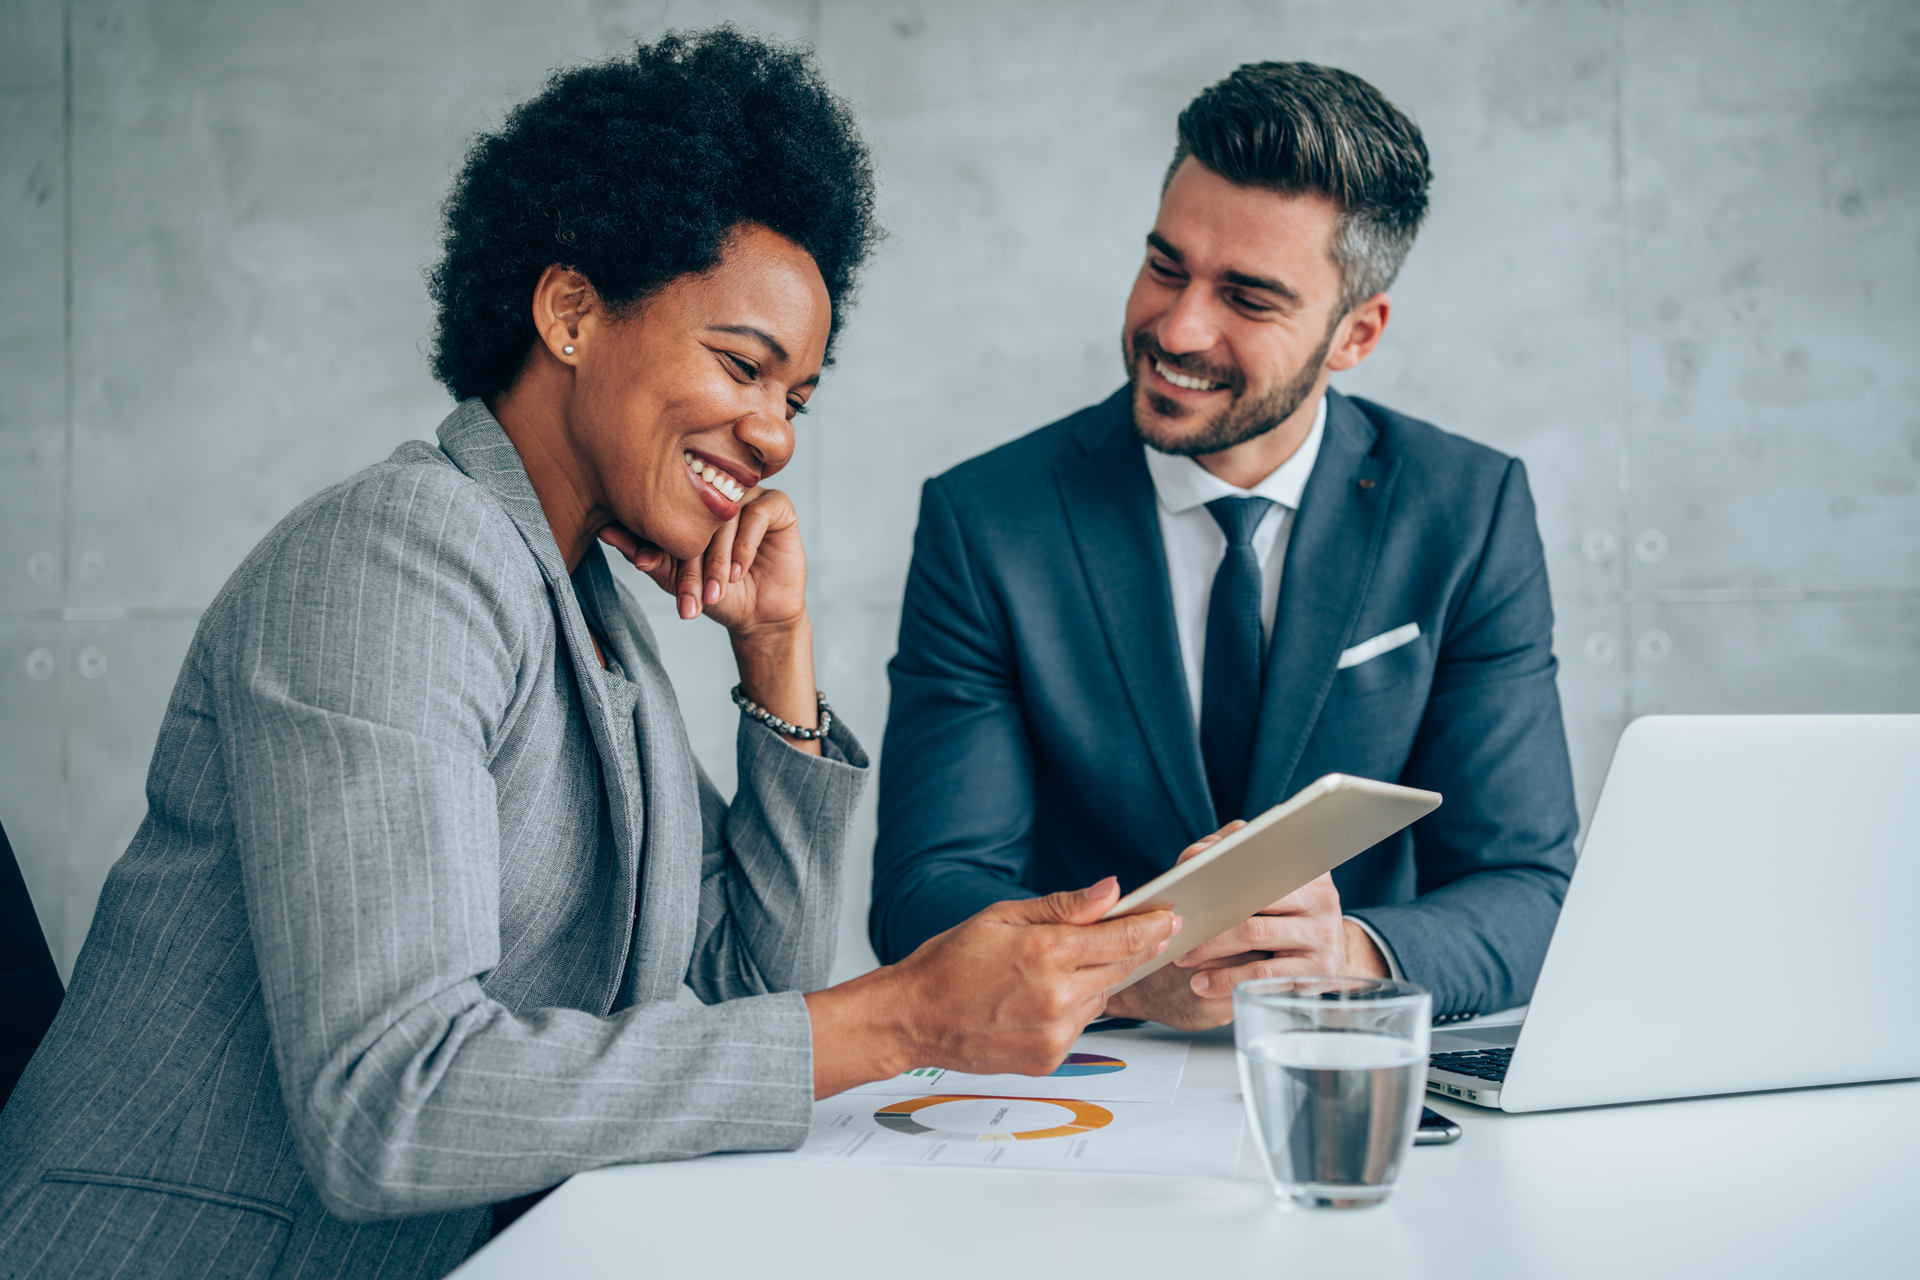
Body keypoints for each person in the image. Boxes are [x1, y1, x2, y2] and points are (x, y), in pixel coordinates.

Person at [0, 30, 1176, 1280]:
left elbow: (742, 999)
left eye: (800, 398)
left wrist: (776, 663)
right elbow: (387, 1102)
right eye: (744, 365)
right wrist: (902, 1015)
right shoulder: (394, 559)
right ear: (570, 310)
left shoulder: (595, 614)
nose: (775, 434)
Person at [870, 61, 1579, 1029]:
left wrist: (1349, 953)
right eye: (1166, 265)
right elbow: (926, 892)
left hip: (1346, 1076)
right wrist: (1126, 970)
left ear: (1354, 335)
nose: (1177, 325)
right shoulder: (988, 521)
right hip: (1074, 1098)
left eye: (1247, 298)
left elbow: (1530, 887)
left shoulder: (1470, 510)